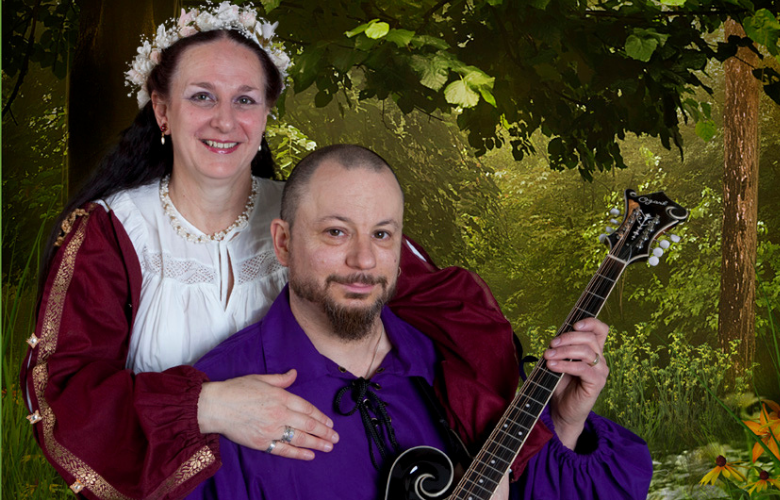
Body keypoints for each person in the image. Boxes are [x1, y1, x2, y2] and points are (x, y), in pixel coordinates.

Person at [20, 4, 551, 499]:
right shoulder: (112, 233)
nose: (225, 121)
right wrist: (209, 404)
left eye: (245, 99)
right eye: (202, 96)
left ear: (267, 113)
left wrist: (490, 453)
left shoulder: (317, 215)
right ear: (162, 110)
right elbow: (62, 395)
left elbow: (448, 310)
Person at [186, 145, 653, 500]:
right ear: (284, 243)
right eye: (335, 231)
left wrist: (567, 422)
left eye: (382, 234)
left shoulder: (455, 366)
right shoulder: (220, 394)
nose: (363, 259)